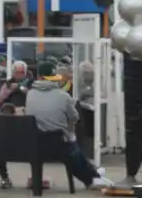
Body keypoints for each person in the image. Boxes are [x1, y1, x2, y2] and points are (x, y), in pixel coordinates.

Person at [25, 60, 111, 189]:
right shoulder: (63, 96)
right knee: (71, 142)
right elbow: (74, 118)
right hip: (58, 146)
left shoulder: (30, 95)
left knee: (69, 142)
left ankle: (93, 172)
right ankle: (91, 178)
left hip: (35, 144)